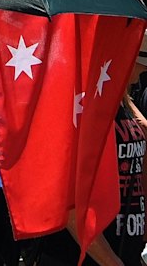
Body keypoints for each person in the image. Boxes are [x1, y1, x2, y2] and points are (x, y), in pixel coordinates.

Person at [27, 33, 147, 266]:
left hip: (125, 246)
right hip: (83, 255)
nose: (138, 78)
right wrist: (111, 262)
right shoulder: (81, 104)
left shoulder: (121, 99)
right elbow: (69, 203)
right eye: (137, 67)